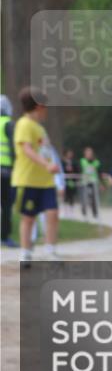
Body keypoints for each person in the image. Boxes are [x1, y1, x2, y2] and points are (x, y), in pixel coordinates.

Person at [12, 87, 60, 264]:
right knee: (28, 217)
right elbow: (27, 149)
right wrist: (47, 165)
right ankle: (25, 253)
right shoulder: (24, 124)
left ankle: (50, 250)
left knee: (53, 214)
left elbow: (45, 151)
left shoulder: (40, 128)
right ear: (39, 106)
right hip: (28, 180)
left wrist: (54, 166)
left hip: (46, 182)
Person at [1, 95, 16, 248]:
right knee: (6, 206)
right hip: (5, 172)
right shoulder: (9, 124)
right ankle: (5, 237)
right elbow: (14, 149)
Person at [79, 146, 101, 218]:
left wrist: (101, 183)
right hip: (85, 181)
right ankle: (84, 211)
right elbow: (86, 167)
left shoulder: (96, 162)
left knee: (94, 197)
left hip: (93, 182)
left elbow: (96, 169)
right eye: (88, 153)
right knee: (84, 196)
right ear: (85, 154)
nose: (89, 154)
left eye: (90, 153)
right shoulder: (82, 160)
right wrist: (91, 167)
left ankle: (95, 213)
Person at [60, 148, 78, 214]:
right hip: (64, 181)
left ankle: (71, 211)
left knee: (71, 196)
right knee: (65, 196)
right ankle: (65, 211)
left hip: (72, 181)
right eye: (69, 153)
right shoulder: (62, 162)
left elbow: (77, 170)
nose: (70, 155)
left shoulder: (74, 162)